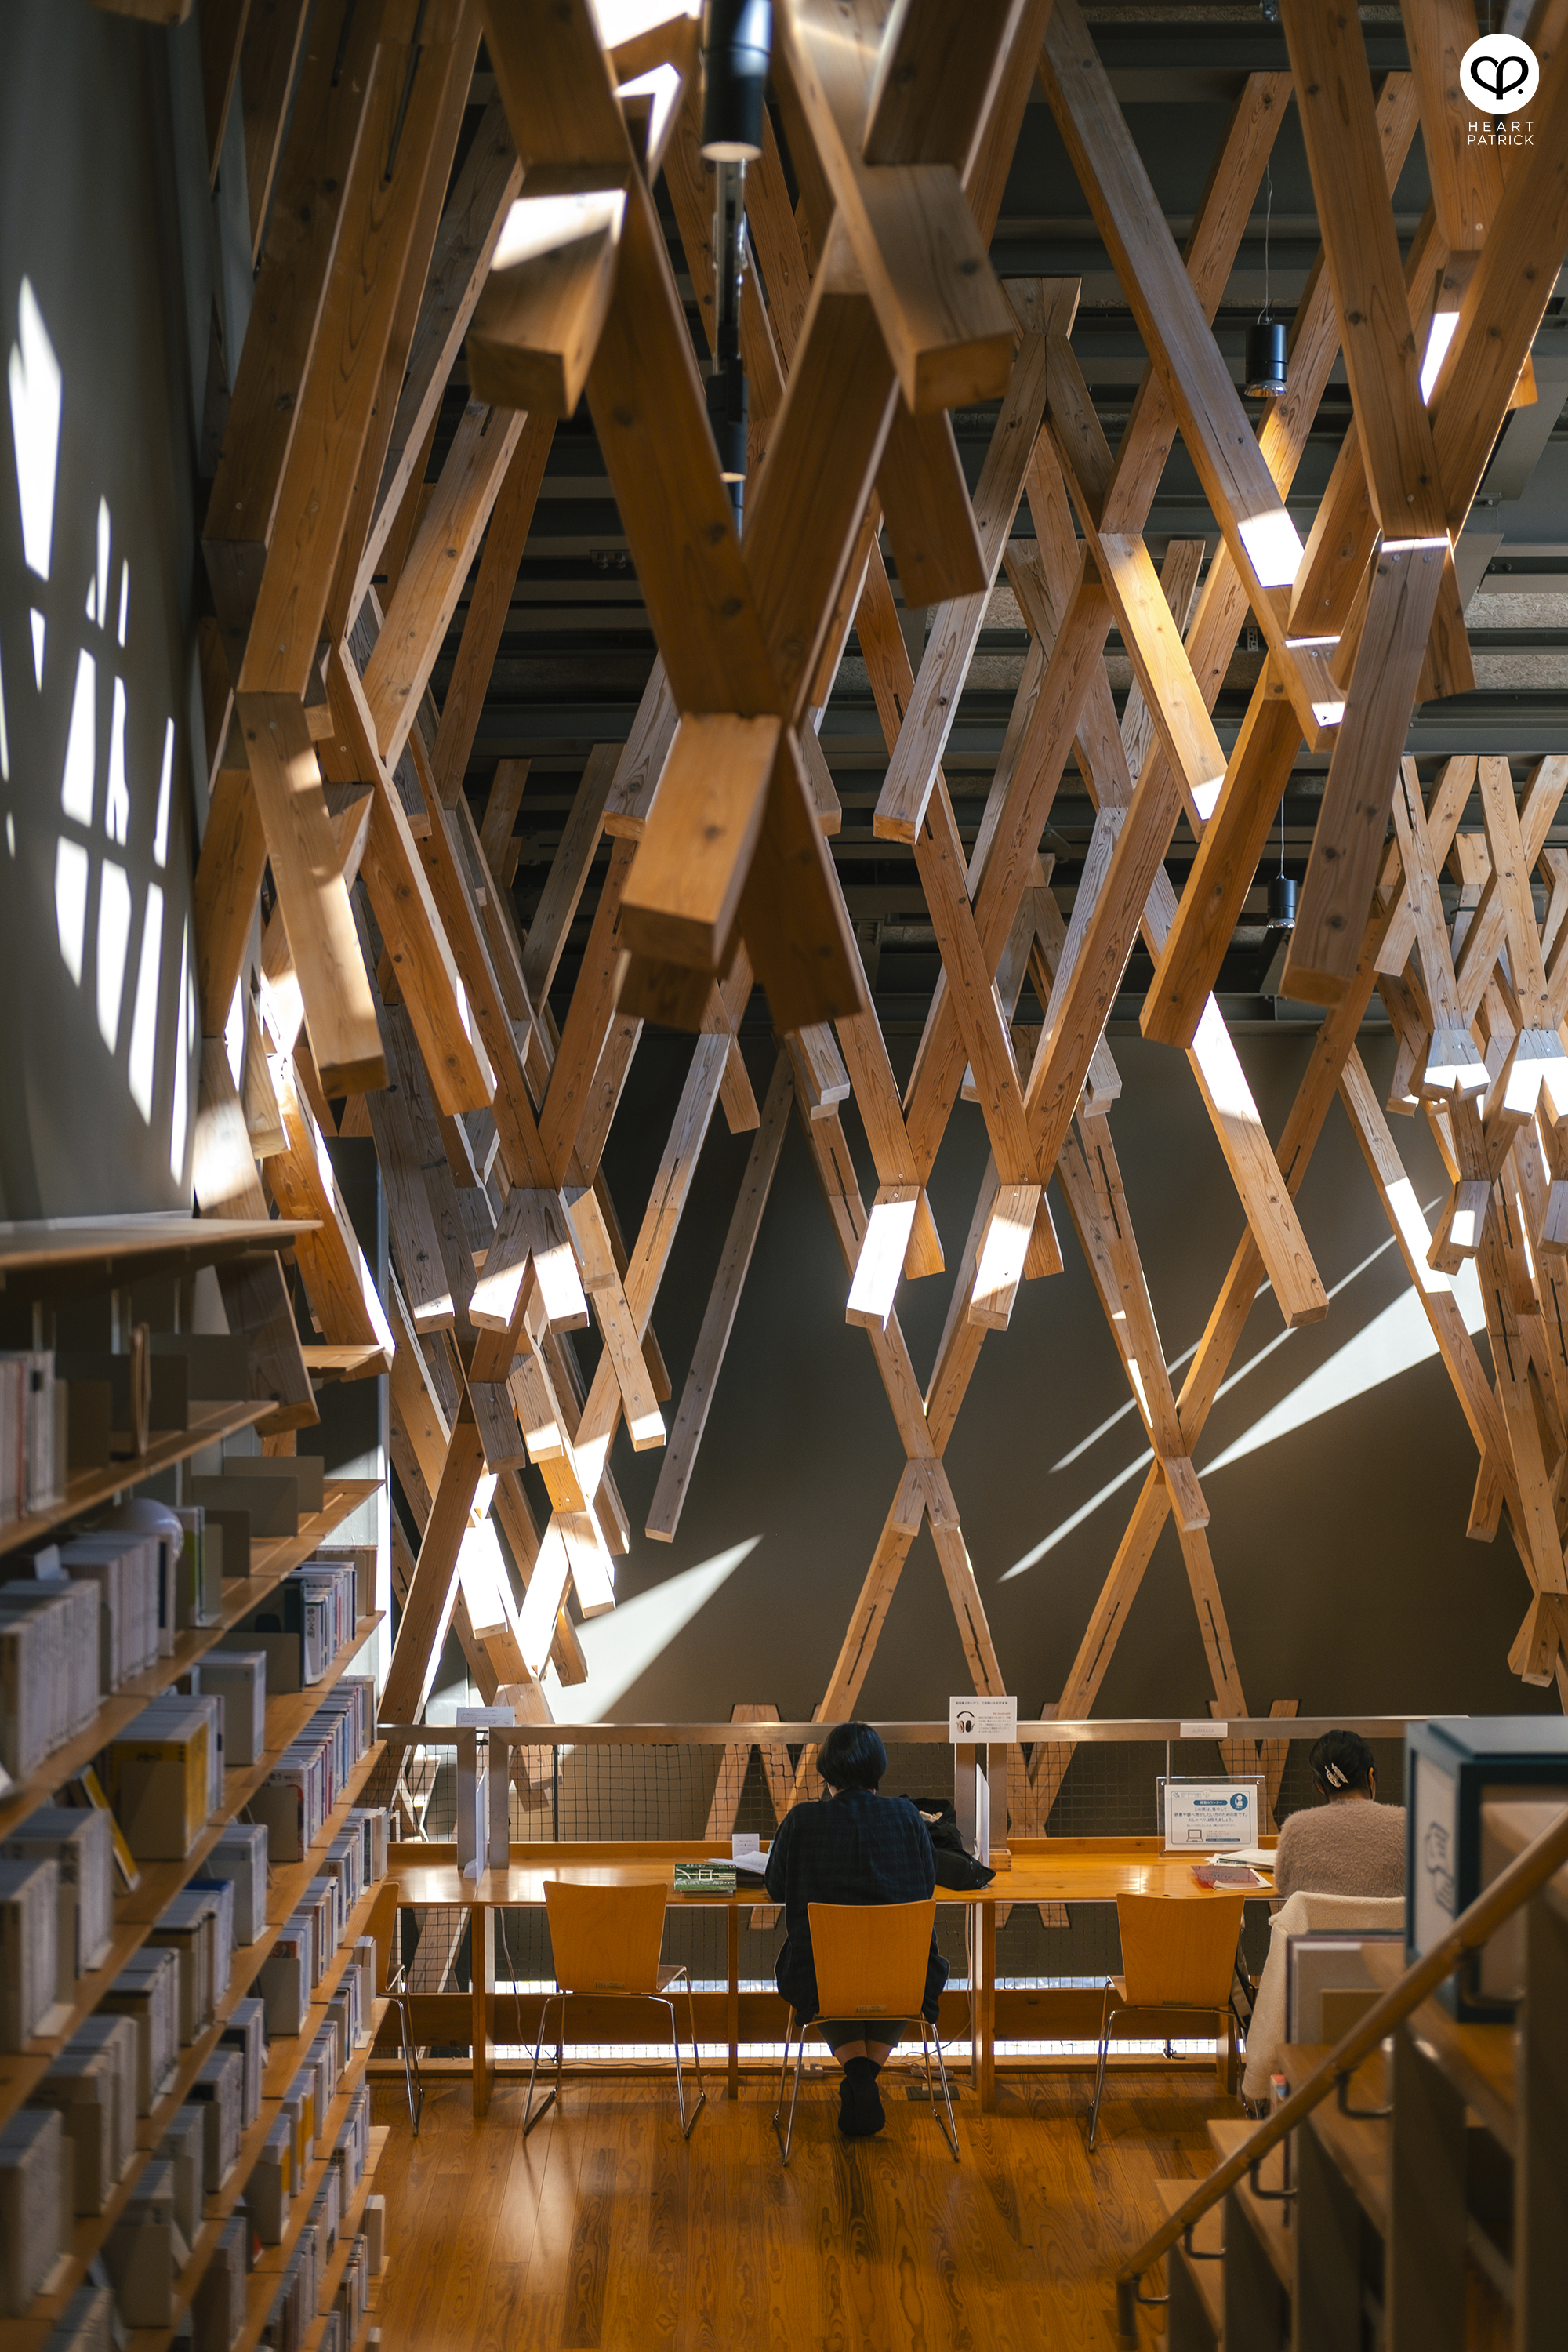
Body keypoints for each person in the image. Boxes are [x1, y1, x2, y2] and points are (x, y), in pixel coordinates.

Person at [763, 1721, 948, 2139]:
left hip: (822, 1978)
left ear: (826, 1773)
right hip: (904, 1976)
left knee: (823, 1967)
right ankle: (866, 2075)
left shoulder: (801, 1820)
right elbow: (926, 1883)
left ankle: (857, 2074)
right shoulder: (907, 1816)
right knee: (902, 1973)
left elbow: (776, 1887)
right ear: (877, 1769)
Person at [1272, 1729, 1406, 1899]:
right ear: (1371, 1776)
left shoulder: (1295, 1828)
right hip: (1390, 1926)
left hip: (1315, 1926)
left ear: (1320, 1786)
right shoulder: (1405, 1825)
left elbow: (1284, 1886)